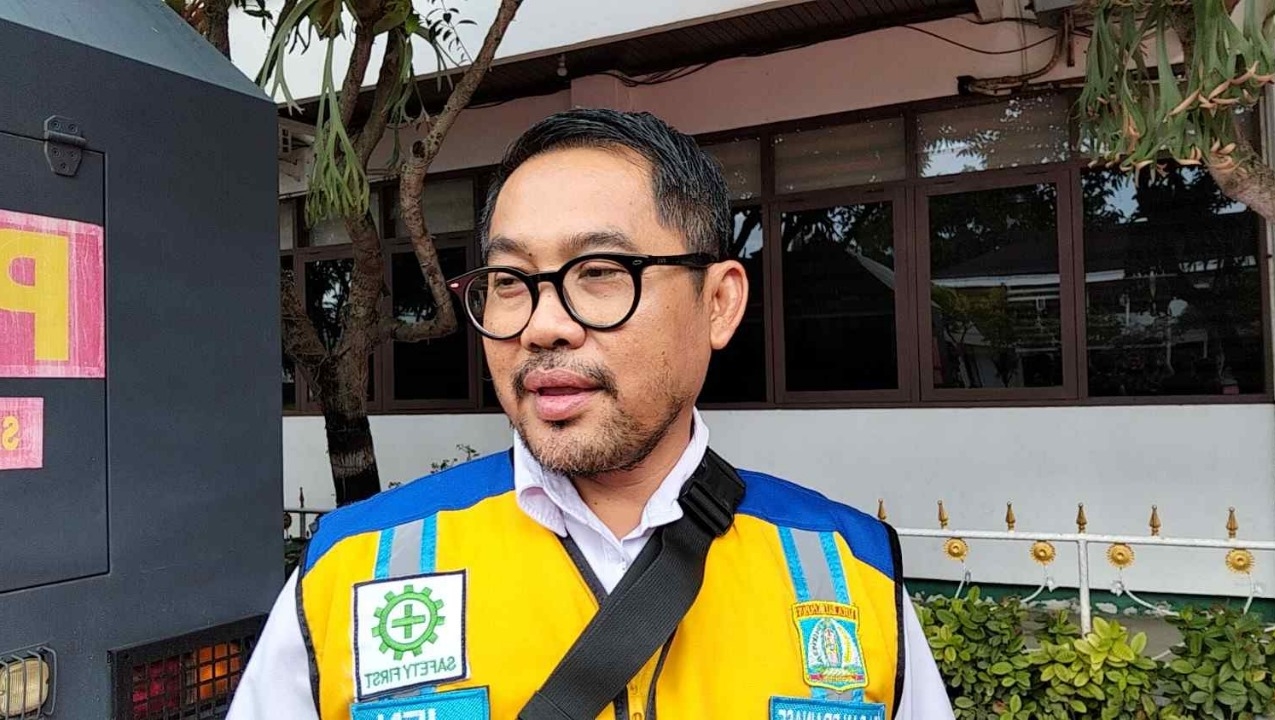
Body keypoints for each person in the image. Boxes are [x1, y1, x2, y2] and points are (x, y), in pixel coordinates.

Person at [228, 109, 954, 720]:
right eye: (509, 280)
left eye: (600, 272)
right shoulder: (353, 567)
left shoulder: (849, 570)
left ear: (719, 303)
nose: (542, 325)